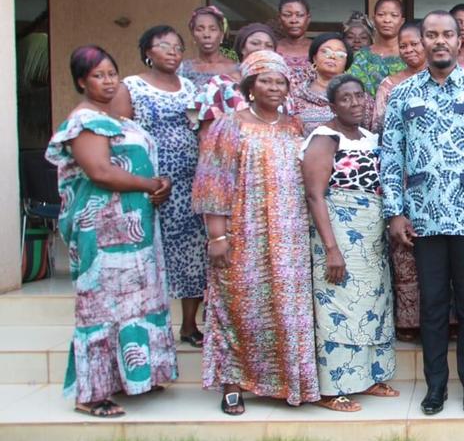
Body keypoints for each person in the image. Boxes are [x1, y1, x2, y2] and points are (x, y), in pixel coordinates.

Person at [380, 10, 464, 417]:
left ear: (460, 41)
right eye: (431, 35)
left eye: (447, 34)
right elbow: (390, 156)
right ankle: (435, 387)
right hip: (423, 219)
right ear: (421, 42)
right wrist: (394, 213)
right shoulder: (403, 94)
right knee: (432, 306)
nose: (439, 41)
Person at [46, 45, 177, 417]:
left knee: (135, 304)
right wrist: (150, 185)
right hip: (102, 234)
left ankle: (132, 379)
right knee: (101, 308)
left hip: (133, 231)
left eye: (111, 74)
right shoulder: (84, 121)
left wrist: (158, 183)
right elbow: (100, 172)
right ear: (80, 81)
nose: (107, 82)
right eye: (98, 76)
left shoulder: (114, 118)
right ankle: (91, 394)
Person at [192, 50, 320, 415]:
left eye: (281, 82)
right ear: (250, 86)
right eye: (266, 81)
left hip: (290, 234)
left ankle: (286, 383)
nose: (275, 88)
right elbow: (212, 185)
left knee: (287, 309)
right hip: (244, 231)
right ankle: (233, 383)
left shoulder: (294, 126)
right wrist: (217, 235)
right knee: (240, 306)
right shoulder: (229, 125)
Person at [302, 75, 398, 411]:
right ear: (332, 105)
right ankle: (332, 388)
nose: (355, 103)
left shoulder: (370, 138)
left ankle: (368, 377)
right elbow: (314, 195)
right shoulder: (325, 137)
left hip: (371, 235)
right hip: (339, 232)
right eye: (346, 98)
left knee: (370, 305)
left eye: (360, 96)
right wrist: (331, 248)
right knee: (339, 306)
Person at [112, 25, 207, 348]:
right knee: (150, 251)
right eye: (163, 45)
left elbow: (199, 129)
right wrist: (143, 179)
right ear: (147, 52)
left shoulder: (190, 87)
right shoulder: (131, 86)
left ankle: (190, 325)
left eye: (178, 47)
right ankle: (149, 323)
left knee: (192, 252)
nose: (172, 51)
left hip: (190, 181)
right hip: (148, 181)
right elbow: (121, 135)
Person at [372, 21, 426, 341]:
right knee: (405, 246)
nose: (408, 50)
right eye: (403, 45)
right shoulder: (390, 85)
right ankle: (409, 322)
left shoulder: (442, 80)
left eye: (414, 43)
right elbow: (381, 127)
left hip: (435, 179)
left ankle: (446, 320)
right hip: (401, 173)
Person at [193, 23, 278, 133]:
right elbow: (206, 133)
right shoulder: (220, 84)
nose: (262, 49)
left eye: (269, 45)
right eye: (255, 43)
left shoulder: (280, 87)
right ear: (242, 48)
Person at [293, 32, 373, 136]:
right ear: (314, 58)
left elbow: (371, 132)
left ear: (346, 63)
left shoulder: (360, 97)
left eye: (340, 54)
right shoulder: (296, 95)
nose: (332, 57)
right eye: (326, 51)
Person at [348, 0, 406, 95]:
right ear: (374, 19)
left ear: (402, 21)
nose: (387, 20)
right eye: (381, 14)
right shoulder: (360, 57)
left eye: (394, 15)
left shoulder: (410, 56)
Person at [177, 5, 236, 90]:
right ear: (193, 35)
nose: (206, 35)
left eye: (213, 29)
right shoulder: (182, 70)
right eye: (200, 29)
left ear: (221, 35)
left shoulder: (235, 69)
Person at [275, 0, 313, 85]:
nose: (294, 20)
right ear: (279, 19)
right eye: (287, 15)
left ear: (308, 19)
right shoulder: (271, 49)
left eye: (299, 15)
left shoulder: (319, 49)